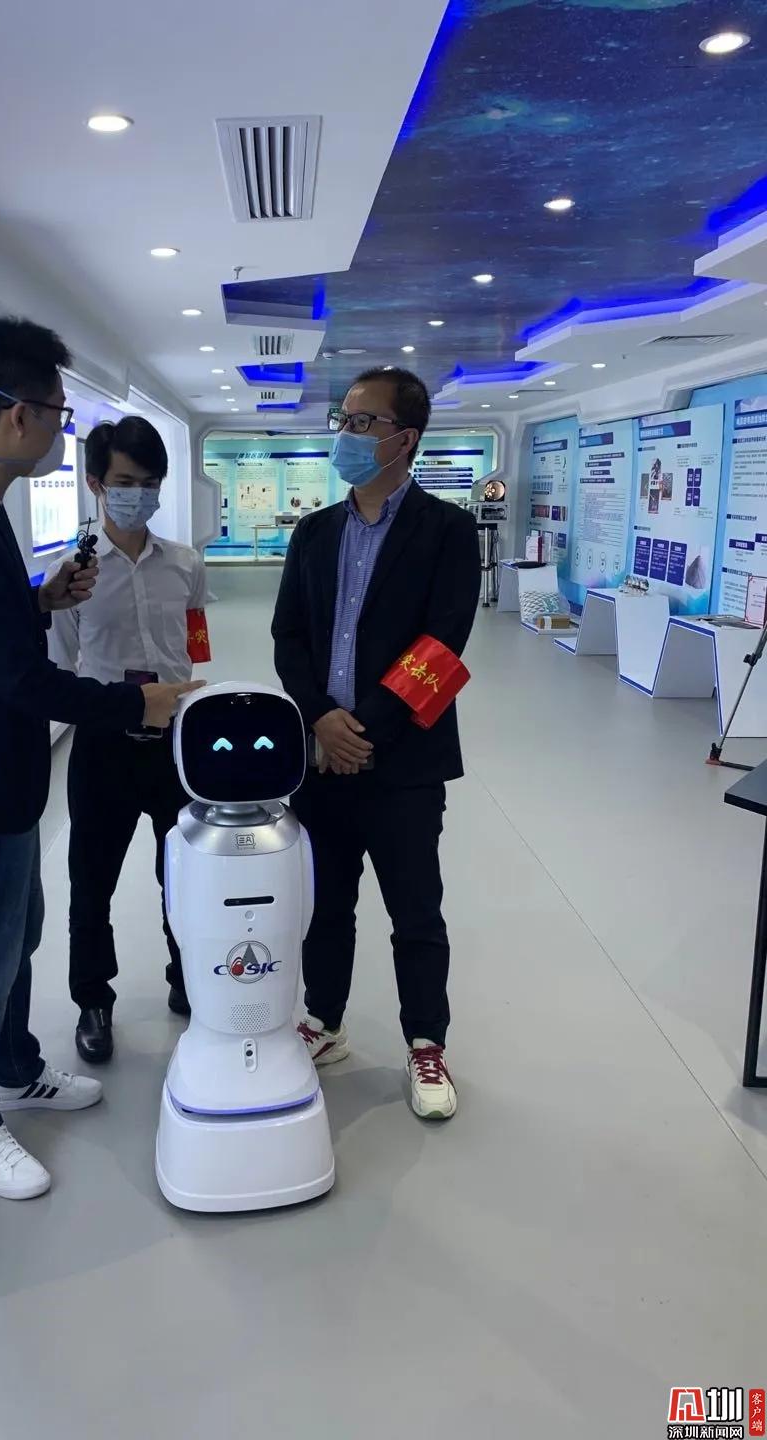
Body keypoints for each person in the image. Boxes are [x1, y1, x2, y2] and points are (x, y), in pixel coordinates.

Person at [0, 317, 198, 1201]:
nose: (60, 429)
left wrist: (39, 599)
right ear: (20, 413)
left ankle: (14, 1066)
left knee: (19, 930)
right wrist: (136, 704)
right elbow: (19, 677)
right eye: (57, 411)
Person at [271, 366, 480, 1120]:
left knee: (415, 910)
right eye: (345, 421)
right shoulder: (314, 532)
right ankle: (324, 1021)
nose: (348, 435)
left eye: (364, 423)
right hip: (321, 757)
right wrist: (321, 718)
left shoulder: (447, 531)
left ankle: (426, 1043)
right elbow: (288, 636)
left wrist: (363, 731)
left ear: (405, 439)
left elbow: (442, 646)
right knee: (326, 902)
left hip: (404, 761)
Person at [48, 416, 211, 1063]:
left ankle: (186, 978)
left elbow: (192, 645)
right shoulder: (72, 575)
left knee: (184, 875)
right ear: (95, 484)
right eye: (124, 482)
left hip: (173, 744)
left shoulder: (186, 564)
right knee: (91, 883)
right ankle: (93, 1000)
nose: (137, 494)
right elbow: (62, 664)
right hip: (103, 745)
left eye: (149, 483)